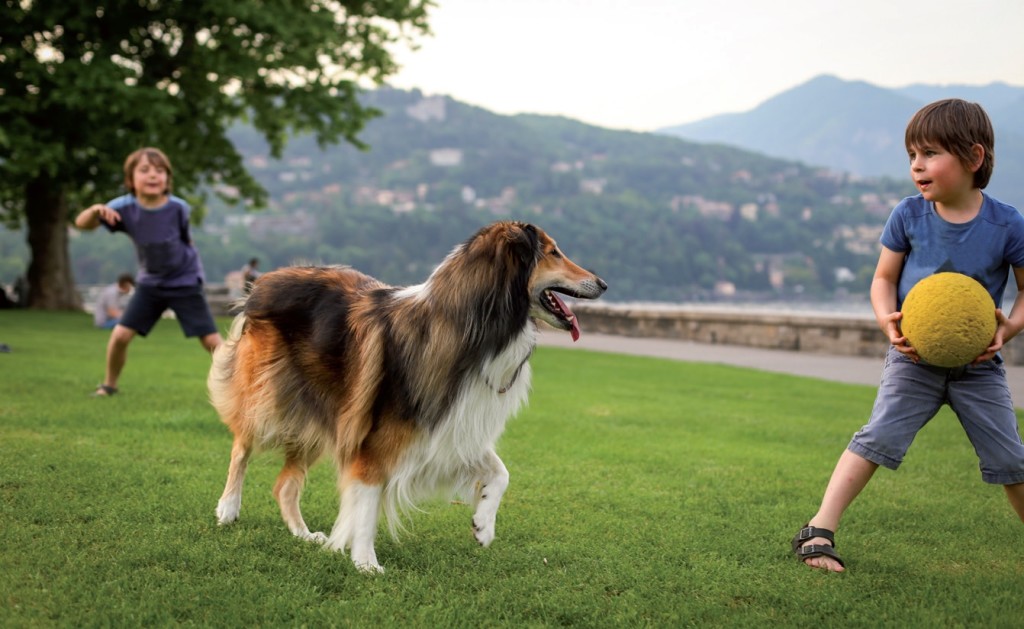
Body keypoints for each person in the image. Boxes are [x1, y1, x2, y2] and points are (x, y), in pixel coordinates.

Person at [792, 99, 1024, 572]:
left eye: (930, 153)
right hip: (912, 360)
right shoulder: (908, 215)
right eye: (911, 155)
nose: (917, 164)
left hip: (978, 366)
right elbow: (882, 279)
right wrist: (886, 320)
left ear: (973, 158)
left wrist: (1010, 327)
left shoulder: (1007, 224)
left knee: (1010, 457)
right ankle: (818, 530)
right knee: (878, 437)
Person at [74, 147, 223, 397]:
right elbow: (82, 224)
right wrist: (95, 210)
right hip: (150, 283)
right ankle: (109, 386)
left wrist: (192, 274)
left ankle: (247, 388)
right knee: (120, 335)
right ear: (130, 180)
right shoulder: (122, 208)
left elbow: (187, 242)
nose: (153, 175)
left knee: (212, 342)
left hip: (184, 280)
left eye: (159, 170)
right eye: (144, 170)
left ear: (167, 179)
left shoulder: (179, 208)